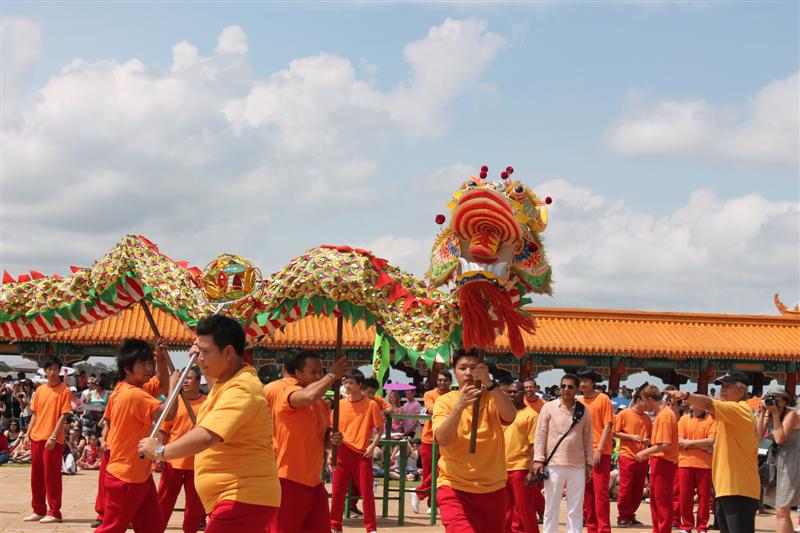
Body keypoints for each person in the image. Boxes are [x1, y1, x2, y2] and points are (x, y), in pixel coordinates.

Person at [139, 315, 282, 533]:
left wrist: (160, 451)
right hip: (234, 498)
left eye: (205, 352)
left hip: (243, 496)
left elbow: (207, 435)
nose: (199, 358)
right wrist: (198, 355)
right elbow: (214, 378)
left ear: (228, 352)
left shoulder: (242, 389)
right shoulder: (227, 382)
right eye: (198, 352)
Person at [96, 338, 177, 533]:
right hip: (126, 477)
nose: (149, 368)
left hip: (140, 475)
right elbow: (169, 413)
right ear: (127, 368)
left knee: (152, 527)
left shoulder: (132, 388)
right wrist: (175, 387)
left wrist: (161, 359)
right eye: (142, 364)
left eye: (150, 362)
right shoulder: (134, 395)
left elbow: (161, 384)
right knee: (112, 529)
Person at [432, 350, 517, 533]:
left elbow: (510, 416)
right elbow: (442, 439)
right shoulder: (445, 401)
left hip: (492, 488)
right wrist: (459, 407)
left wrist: (490, 384)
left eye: (473, 367)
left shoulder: (493, 397)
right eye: (462, 368)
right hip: (454, 487)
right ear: (455, 372)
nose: (468, 373)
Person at [665, 372, 760, 533]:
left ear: (742, 391)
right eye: (722, 386)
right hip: (729, 487)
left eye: (727, 386)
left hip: (739, 488)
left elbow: (708, 404)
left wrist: (686, 395)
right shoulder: (729, 413)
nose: (722, 390)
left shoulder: (739, 409)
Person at [271, 350, 347, 533]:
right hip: (287, 479)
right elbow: (306, 397)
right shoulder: (287, 392)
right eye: (313, 372)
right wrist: (332, 376)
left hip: (314, 482)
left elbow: (323, 439)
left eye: (321, 371)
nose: (318, 376)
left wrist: (332, 438)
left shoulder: (321, 404)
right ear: (298, 373)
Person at [533, 373, 593, 533]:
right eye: (563, 386)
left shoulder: (583, 411)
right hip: (554, 464)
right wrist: (538, 459)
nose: (566, 389)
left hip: (577, 465)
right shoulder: (548, 407)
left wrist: (589, 462)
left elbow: (588, 437)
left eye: (570, 386)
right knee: (551, 506)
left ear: (577, 390)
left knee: (575, 508)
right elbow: (540, 434)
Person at [329, 370, 384, 533]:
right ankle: (334, 525)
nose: (347, 386)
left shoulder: (371, 405)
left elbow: (380, 428)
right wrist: (330, 452)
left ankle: (371, 528)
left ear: (360, 385)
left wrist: (372, 446)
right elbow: (331, 429)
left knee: (367, 493)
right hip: (342, 452)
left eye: (351, 383)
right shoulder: (340, 404)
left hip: (362, 455)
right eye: (345, 382)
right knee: (337, 492)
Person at [156, 364, 207, 533]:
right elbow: (163, 431)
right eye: (183, 378)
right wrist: (159, 455)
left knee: (195, 506)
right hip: (173, 461)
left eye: (189, 378)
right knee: (164, 501)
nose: (185, 381)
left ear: (198, 381)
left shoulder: (207, 403)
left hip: (197, 463)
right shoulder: (174, 403)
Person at [23, 356, 73, 524]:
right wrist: (27, 433)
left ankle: (54, 512)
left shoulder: (65, 391)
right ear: (45, 371)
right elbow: (35, 414)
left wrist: (53, 436)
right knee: (36, 477)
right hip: (36, 437)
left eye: (55, 369)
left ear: (59, 371)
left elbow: (63, 416)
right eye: (50, 369)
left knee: (51, 477)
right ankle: (38, 509)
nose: (52, 372)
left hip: (52, 440)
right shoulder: (40, 390)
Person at [635, 385, 678, 533]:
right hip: (660, 461)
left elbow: (664, 445)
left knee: (662, 502)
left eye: (643, 400)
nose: (643, 404)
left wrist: (643, 453)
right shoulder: (662, 414)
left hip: (664, 462)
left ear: (650, 399)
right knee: (656, 501)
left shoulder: (665, 415)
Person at [757, 386, 799, 533]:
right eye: (770, 398)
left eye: (777, 399)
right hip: (774, 461)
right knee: (780, 511)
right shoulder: (768, 414)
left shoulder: (791, 414)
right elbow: (758, 438)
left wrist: (775, 415)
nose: (773, 401)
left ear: (785, 400)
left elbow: (780, 439)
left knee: (782, 510)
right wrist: (762, 413)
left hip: (790, 462)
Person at [577, 369, 614, 533]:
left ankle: (604, 529)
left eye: (586, 380)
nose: (582, 384)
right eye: (581, 380)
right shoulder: (578, 401)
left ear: (593, 382)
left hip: (600, 452)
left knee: (600, 493)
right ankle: (591, 528)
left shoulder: (603, 399)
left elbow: (608, 425)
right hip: (582, 453)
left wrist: (599, 448)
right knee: (587, 493)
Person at [411, 370, 452, 514]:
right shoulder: (429, 394)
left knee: (442, 471)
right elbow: (431, 409)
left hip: (447, 438)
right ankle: (431, 504)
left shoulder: (453, 395)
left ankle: (422, 495)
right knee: (429, 472)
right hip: (429, 438)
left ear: (450, 382)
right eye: (440, 380)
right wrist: (450, 410)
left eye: (445, 380)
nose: (442, 382)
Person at [503, 381, 540, 533]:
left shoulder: (531, 415)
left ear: (523, 394)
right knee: (505, 509)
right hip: (502, 468)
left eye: (515, 392)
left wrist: (532, 470)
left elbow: (534, 445)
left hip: (521, 467)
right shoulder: (503, 414)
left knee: (525, 508)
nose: (512, 394)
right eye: (510, 392)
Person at [613, 387, 651, 528]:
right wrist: (631, 437)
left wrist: (647, 441)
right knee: (626, 487)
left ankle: (630, 514)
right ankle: (623, 516)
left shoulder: (647, 418)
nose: (648, 404)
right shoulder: (624, 414)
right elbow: (614, 432)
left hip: (643, 458)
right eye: (646, 400)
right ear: (638, 400)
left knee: (638, 488)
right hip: (627, 456)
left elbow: (651, 436)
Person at [677, 404, 715, 533]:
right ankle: (686, 526)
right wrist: (702, 445)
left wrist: (689, 443)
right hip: (685, 463)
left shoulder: (711, 419)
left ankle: (702, 527)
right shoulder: (684, 419)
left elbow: (711, 440)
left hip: (705, 465)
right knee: (685, 497)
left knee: (704, 498)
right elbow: (680, 441)